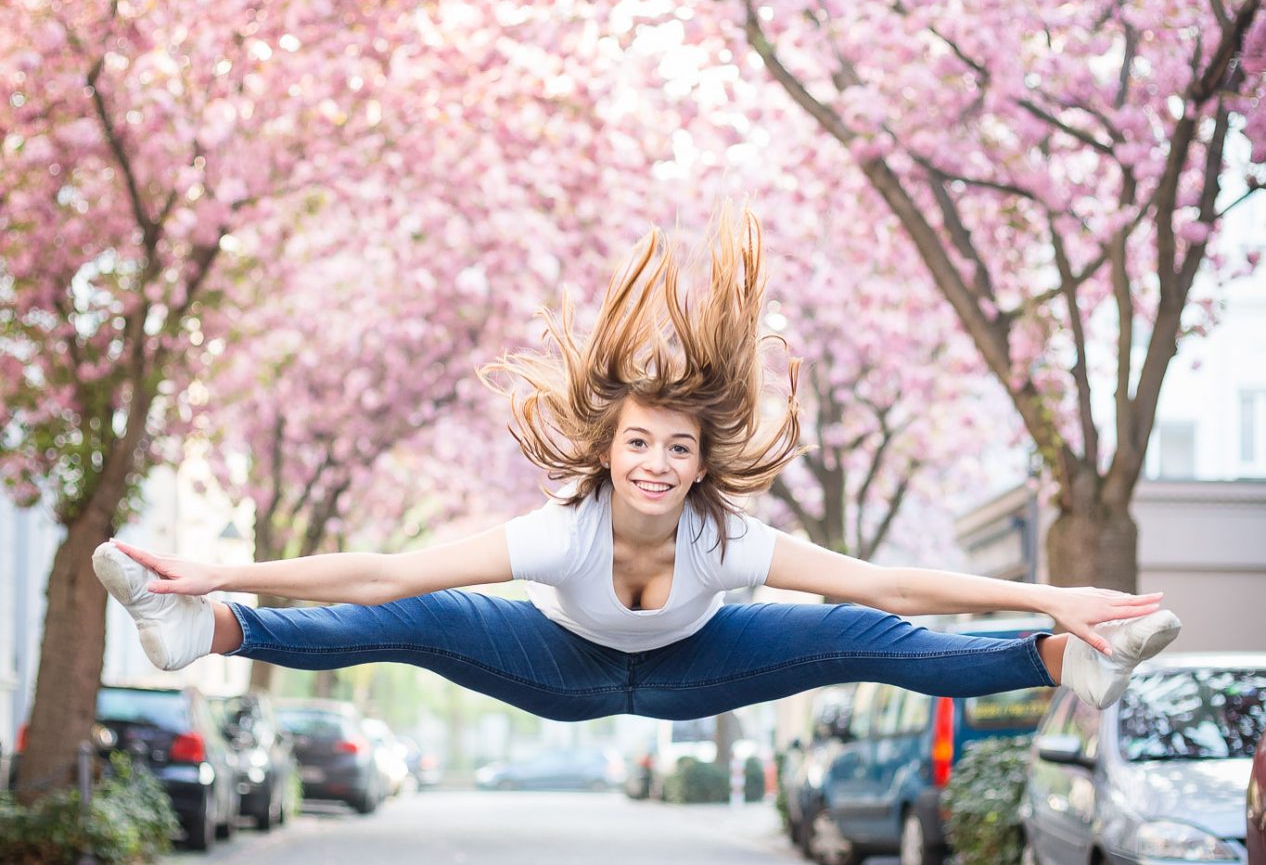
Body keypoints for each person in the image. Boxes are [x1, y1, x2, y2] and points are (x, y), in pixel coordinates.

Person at [93, 212, 1180, 721]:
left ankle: (1060, 662)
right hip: (554, 670)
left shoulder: (728, 539)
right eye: (639, 445)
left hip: (697, 669)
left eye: (678, 448)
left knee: (867, 636)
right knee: (423, 618)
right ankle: (204, 634)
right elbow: (381, 570)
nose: (657, 464)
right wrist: (217, 576)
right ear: (606, 455)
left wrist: (1051, 595)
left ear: (705, 463)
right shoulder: (565, 532)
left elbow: (890, 585)